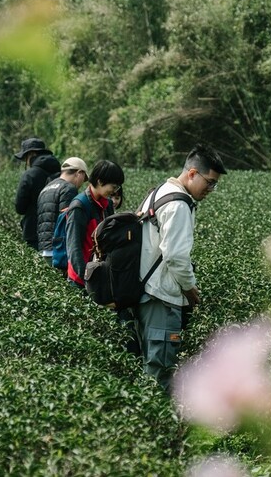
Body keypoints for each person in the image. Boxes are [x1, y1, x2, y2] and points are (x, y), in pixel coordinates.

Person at [137, 144, 226, 390]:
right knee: (160, 371)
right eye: (209, 182)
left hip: (146, 292)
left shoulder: (159, 191)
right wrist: (189, 288)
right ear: (192, 173)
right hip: (161, 296)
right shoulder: (178, 204)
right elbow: (175, 256)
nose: (211, 189)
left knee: (150, 362)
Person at [66, 160, 124, 289]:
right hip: (82, 279)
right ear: (100, 181)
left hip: (99, 273)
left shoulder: (107, 204)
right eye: (113, 186)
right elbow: (74, 248)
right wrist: (87, 278)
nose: (114, 191)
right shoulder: (79, 206)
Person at [36, 157, 88, 269]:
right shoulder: (68, 189)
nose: (81, 184)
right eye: (83, 179)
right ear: (79, 173)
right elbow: (68, 222)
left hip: (44, 247)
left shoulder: (46, 188)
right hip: (58, 250)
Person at [14, 138, 60, 250]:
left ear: (32, 154)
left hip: (34, 231)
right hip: (57, 230)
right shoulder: (60, 172)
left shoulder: (30, 175)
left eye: (25, 158)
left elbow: (20, 208)